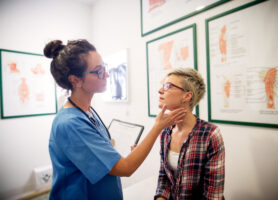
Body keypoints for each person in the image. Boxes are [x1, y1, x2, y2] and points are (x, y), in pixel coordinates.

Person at [44, 39, 186, 200]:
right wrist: (158, 127)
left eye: (104, 67)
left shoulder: (87, 110)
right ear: (75, 80)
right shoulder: (70, 124)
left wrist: (128, 151)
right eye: (98, 71)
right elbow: (125, 168)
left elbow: (103, 149)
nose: (106, 74)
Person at [154, 68, 225, 200]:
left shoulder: (210, 134)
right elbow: (164, 176)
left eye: (167, 86)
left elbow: (213, 194)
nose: (160, 90)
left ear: (187, 96)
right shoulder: (165, 132)